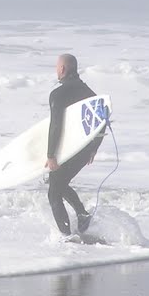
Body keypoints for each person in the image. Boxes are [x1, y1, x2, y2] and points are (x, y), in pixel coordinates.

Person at [45, 53, 101, 236]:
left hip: (67, 150)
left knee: (54, 193)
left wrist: (51, 155)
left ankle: (67, 236)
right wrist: (93, 149)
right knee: (59, 183)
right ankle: (82, 214)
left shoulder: (58, 94)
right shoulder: (89, 93)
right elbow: (101, 120)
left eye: (56, 66)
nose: (56, 69)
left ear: (62, 69)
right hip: (84, 149)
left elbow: (56, 126)